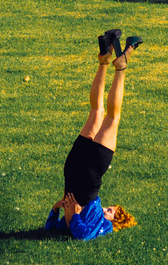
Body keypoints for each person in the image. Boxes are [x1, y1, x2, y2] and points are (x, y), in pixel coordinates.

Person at [46, 29, 141, 240]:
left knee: (111, 118)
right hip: (73, 170)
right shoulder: (88, 220)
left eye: (109, 212)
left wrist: (58, 211)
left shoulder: (105, 227)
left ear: (113, 222)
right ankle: (104, 60)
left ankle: (120, 66)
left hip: (84, 175)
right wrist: (71, 217)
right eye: (109, 208)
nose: (104, 209)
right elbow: (69, 232)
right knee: (97, 112)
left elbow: (80, 235)